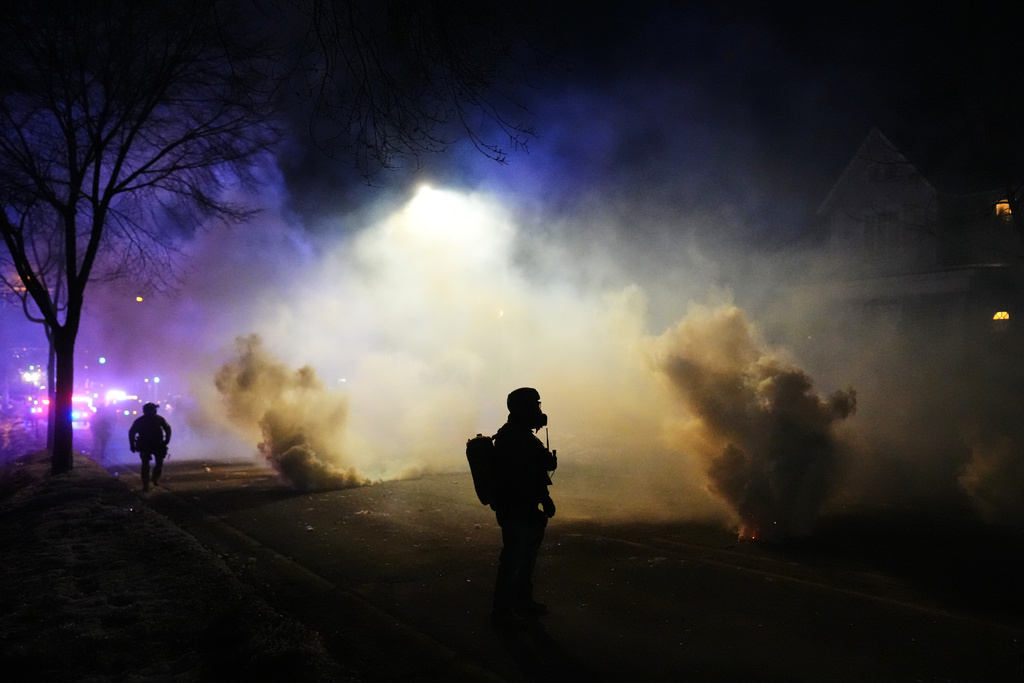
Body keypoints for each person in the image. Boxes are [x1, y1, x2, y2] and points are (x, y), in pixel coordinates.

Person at [490, 387, 557, 628]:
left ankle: (520, 602)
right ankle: (502, 610)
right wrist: (544, 497)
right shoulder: (515, 439)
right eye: (534, 406)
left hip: (523, 507)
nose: (538, 411)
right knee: (513, 559)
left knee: (525, 558)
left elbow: (533, 472)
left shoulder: (515, 435)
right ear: (522, 409)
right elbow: (524, 476)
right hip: (516, 508)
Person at [129, 402, 172, 492]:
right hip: (147, 445)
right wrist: (132, 444)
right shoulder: (145, 420)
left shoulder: (157, 419)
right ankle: (147, 484)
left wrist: (167, 440)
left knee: (156, 463)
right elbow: (132, 432)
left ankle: (152, 480)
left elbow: (167, 428)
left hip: (155, 444)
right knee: (147, 465)